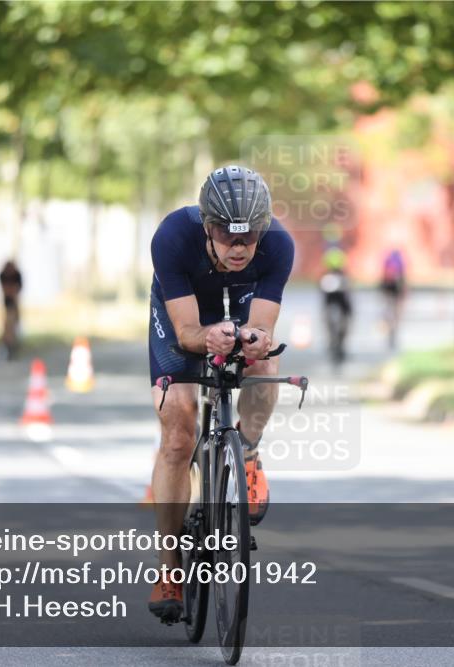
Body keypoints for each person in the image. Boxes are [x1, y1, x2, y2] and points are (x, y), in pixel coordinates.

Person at [147, 165, 294, 622]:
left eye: (249, 236)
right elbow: (187, 332)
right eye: (228, 235)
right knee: (178, 432)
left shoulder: (278, 245)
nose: (239, 247)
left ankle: (246, 452)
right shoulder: (173, 237)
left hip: (242, 306)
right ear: (207, 227)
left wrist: (255, 339)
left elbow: (263, 327)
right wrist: (208, 338)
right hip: (187, 314)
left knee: (265, 363)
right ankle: (170, 569)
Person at [319, 246, 352, 366]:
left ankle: (337, 342)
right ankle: (334, 342)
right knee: (335, 322)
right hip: (336, 303)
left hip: (338, 303)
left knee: (340, 323)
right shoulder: (332, 276)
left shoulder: (336, 276)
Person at [379, 248, 406, 349]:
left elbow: (383, 279)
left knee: (389, 308)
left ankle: (389, 323)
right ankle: (392, 325)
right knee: (395, 310)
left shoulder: (388, 261)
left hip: (390, 288)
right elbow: (403, 278)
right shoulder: (400, 262)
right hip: (395, 289)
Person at [0, 260, 23, 361]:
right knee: (7, 325)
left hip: (14, 301)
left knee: (14, 323)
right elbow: (5, 290)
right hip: (7, 302)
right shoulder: (3, 275)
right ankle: (7, 346)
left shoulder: (17, 275)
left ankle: (13, 345)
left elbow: (17, 289)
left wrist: (12, 292)